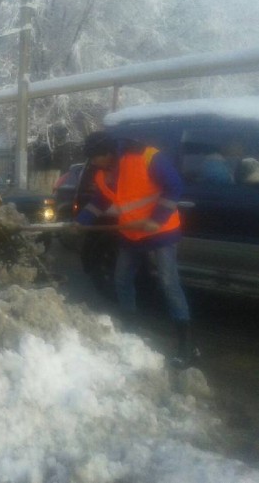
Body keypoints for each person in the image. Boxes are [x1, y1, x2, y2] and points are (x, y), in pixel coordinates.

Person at [76, 132, 199, 369]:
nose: (93, 163)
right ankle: (130, 330)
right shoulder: (103, 173)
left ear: (107, 152)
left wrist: (157, 219)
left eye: (95, 157)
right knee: (122, 279)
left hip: (161, 230)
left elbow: (174, 185)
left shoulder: (145, 156)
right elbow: (101, 200)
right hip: (131, 232)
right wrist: (82, 220)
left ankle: (187, 344)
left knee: (168, 282)